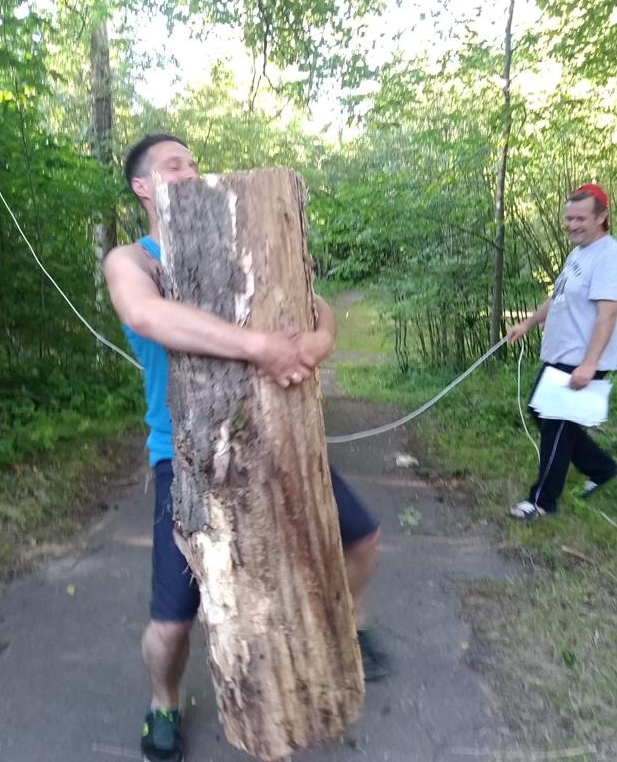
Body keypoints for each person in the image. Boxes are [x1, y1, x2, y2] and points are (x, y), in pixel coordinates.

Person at [103, 133, 389, 762]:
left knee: (362, 540)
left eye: (192, 162)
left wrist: (316, 343)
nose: (190, 172)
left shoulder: (235, 235)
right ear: (142, 187)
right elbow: (149, 317)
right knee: (172, 621)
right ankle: (163, 703)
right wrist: (262, 348)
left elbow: (316, 304)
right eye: (173, 165)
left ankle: (343, 628)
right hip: (187, 453)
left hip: (280, 434)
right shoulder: (134, 260)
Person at [506, 183, 617, 521]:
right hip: (562, 353)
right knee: (541, 411)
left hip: (582, 358)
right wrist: (528, 323)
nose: (572, 225)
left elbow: (607, 315)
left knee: (556, 425)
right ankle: (602, 468)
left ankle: (542, 501)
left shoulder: (611, 258)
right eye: (568, 218)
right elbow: (559, 296)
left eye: (580, 219)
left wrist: (590, 364)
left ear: (601, 217)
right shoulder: (579, 252)